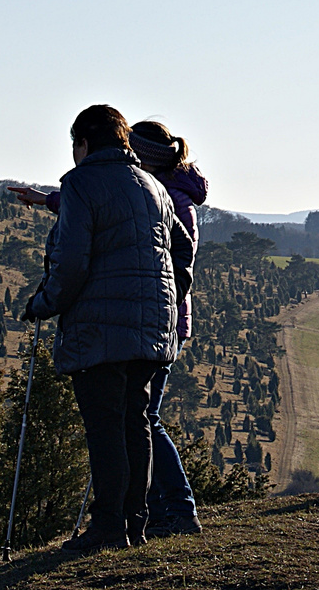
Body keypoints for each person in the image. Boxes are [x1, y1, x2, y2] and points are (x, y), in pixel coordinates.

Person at [18, 105, 195, 554]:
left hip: (99, 329)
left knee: (104, 428)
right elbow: (182, 248)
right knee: (135, 423)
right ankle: (134, 523)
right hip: (153, 331)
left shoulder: (79, 183)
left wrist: (43, 304)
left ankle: (108, 527)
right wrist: (169, 298)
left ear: (83, 143)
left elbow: (71, 260)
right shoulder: (154, 187)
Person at [126, 120, 207, 537]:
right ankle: (161, 511)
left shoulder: (169, 200)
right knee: (141, 415)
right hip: (165, 319)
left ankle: (179, 508)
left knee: (145, 416)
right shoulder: (170, 193)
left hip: (162, 320)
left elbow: (178, 268)